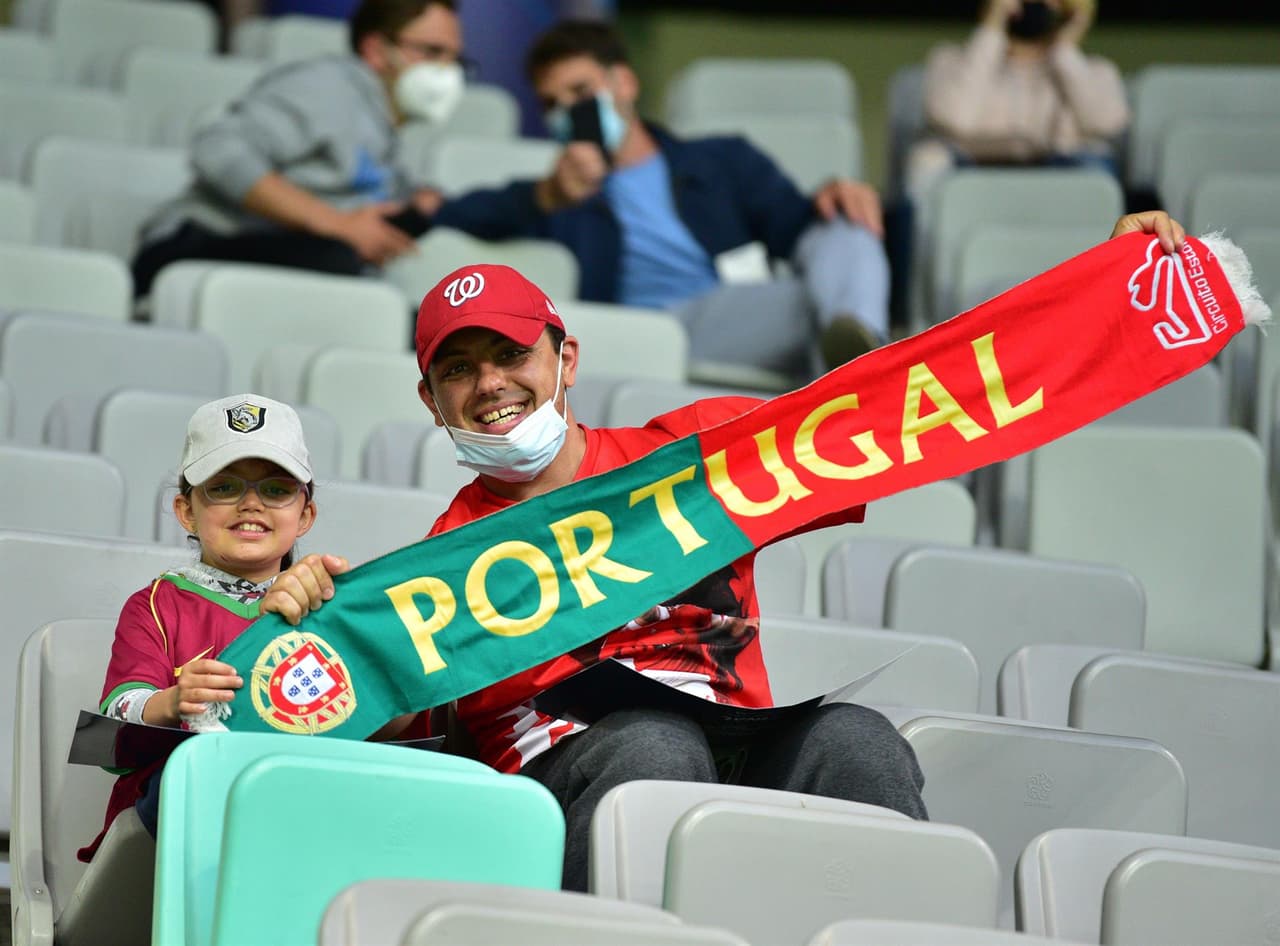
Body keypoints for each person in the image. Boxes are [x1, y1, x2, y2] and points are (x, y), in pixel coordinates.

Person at [258, 208, 1187, 891]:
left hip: (742, 744)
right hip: (571, 783)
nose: (489, 384)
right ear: (431, 402)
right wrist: (306, 617)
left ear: (565, 360)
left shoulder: (697, 455)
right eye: (457, 369)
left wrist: (1093, 292)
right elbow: (370, 732)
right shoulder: (439, 562)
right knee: (652, 745)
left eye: (510, 355)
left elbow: (909, 405)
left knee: (857, 742)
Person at [430, 18, 892, 381]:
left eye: (580, 92)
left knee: (847, 228)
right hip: (641, 334)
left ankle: (858, 348)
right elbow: (462, 216)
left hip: (739, 311)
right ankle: (871, 374)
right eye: (552, 104)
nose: (568, 111)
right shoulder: (557, 196)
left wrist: (833, 196)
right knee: (818, 307)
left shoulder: (720, 159)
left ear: (624, 83)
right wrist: (547, 196)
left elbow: (800, 228)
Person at [77, 393, 414, 863]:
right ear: (186, 511)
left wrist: (377, 645)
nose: (251, 504)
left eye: (275, 490)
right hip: (173, 835)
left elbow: (393, 728)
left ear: (305, 516)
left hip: (312, 821)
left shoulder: (331, 606)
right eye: (224, 487)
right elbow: (111, 729)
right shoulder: (154, 605)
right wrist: (173, 701)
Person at [129, 0, 467, 301]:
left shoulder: (385, 128)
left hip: (281, 260)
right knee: (344, 267)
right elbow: (217, 149)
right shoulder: (326, 87)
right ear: (376, 50)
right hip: (193, 248)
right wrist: (338, 224)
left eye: (455, 59)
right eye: (432, 52)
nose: (446, 70)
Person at [905, 0, 1130, 208]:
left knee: (1096, 168)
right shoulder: (951, 60)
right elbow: (954, 118)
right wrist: (991, 30)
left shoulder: (1094, 69)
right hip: (971, 167)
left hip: (1057, 170)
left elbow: (1107, 123)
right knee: (927, 163)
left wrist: (1064, 51)